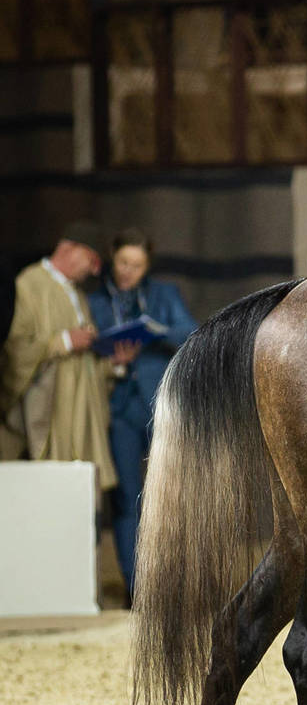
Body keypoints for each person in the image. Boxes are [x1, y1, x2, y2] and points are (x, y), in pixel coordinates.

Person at [87, 229, 196, 598]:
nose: (127, 271)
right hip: (118, 405)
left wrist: (154, 332)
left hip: (159, 404)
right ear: (111, 257)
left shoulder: (163, 294)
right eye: (122, 263)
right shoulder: (94, 300)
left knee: (171, 495)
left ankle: (175, 584)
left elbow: (191, 332)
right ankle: (137, 589)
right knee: (125, 498)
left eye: (136, 265)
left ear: (147, 266)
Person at [0, 221, 121, 492]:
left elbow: (87, 362)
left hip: (84, 414)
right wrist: (64, 341)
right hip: (52, 411)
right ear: (69, 248)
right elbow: (15, 349)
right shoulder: (29, 285)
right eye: (92, 260)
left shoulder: (79, 295)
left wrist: (113, 363)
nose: (95, 270)